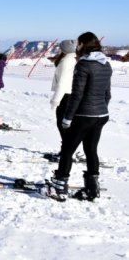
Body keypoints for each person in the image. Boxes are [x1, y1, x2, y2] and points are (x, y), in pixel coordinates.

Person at [46, 32, 112, 202]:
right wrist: (100, 109)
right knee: (91, 150)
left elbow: (77, 95)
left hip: (84, 115)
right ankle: (92, 188)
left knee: (68, 150)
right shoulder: (106, 64)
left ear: (83, 44)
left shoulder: (83, 65)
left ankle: (59, 185)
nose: (77, 47)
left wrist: (67, 118)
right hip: (101, 114)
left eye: (79, 43)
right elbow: (107, 94)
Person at [47, 40, 77, 160]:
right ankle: (67, 151)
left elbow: (62, 84)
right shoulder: (74, 59)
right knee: (66, 125)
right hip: (71, 95)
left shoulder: (67, 62)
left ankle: (67, 153)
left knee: (63, 125)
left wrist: (55, 101)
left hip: (65, 96)